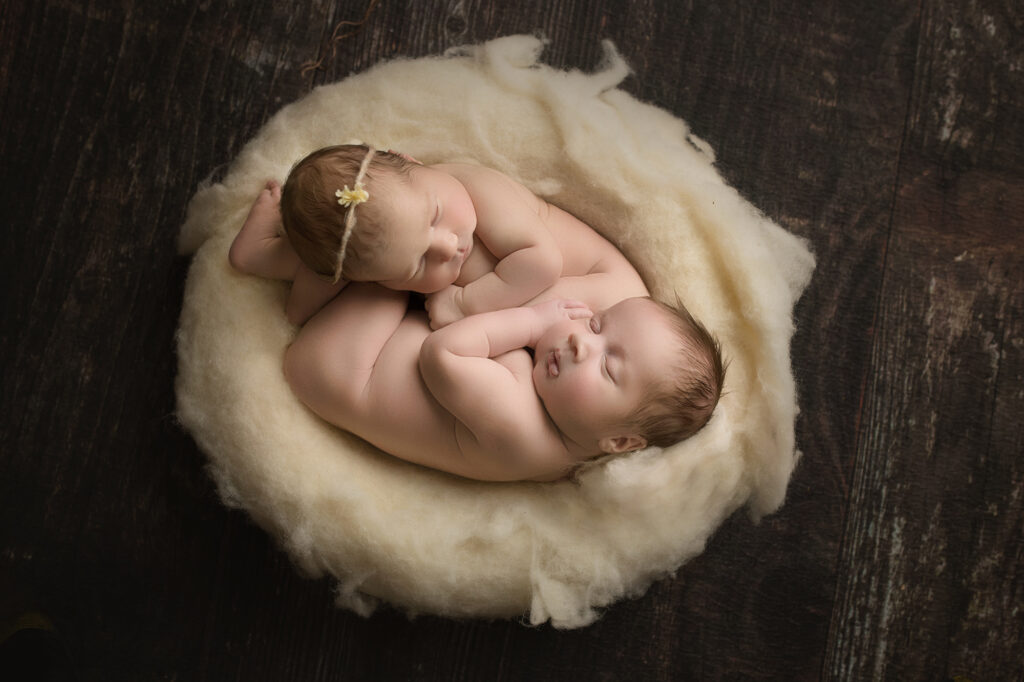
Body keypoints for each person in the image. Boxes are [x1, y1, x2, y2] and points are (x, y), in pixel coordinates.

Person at [283, 283, 726, 482]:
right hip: (354, 356)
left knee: (395, 268)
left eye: (609, 368)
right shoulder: (566, 449)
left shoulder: (522, 428)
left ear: (621, 442)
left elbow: (442, 353)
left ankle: (287, 264)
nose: (579, 343)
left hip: (343, 365)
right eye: (595, 325)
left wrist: (531, 322)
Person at [228, 144, 640, 326]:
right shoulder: (394, 245)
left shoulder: (479, 189)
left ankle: (269, 259)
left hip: (601, 287)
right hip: (523, 305)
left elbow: (541, 263)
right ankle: (261, 255)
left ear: (413, 160)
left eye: (436, 217)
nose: (448, 247)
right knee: (339, 268)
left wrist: (465, 304)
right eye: (418, 265)